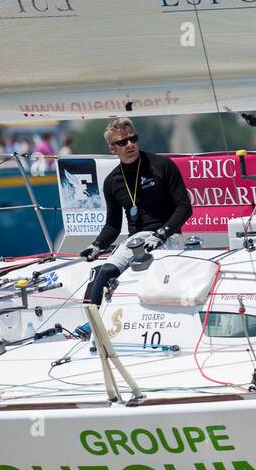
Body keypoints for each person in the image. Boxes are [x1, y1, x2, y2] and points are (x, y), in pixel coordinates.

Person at [74, 119, 192, 335]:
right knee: (103, 272)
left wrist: (162, 233)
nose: (129, 145)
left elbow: (185, 207)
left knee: (146, 274)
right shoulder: (112, 182)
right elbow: (112, 225)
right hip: (135, 239)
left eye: (133, 139)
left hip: (168, 236)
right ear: (112, 149)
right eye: (122, 142)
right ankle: (92, 326)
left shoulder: (161, 165)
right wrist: (97, 245)